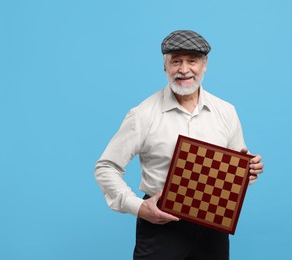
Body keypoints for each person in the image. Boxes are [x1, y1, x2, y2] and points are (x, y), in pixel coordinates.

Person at [95, 30, 264, 260]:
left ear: (204, 65)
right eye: (176, 61)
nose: (184, 70)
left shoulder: (226, 112)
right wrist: (139, 208)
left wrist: (249, 171)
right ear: (165, 66)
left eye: (192, 61)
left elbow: (236, 172)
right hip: (161, 224)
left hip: (213, 227)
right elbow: (106, 167)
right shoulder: (143, 114)